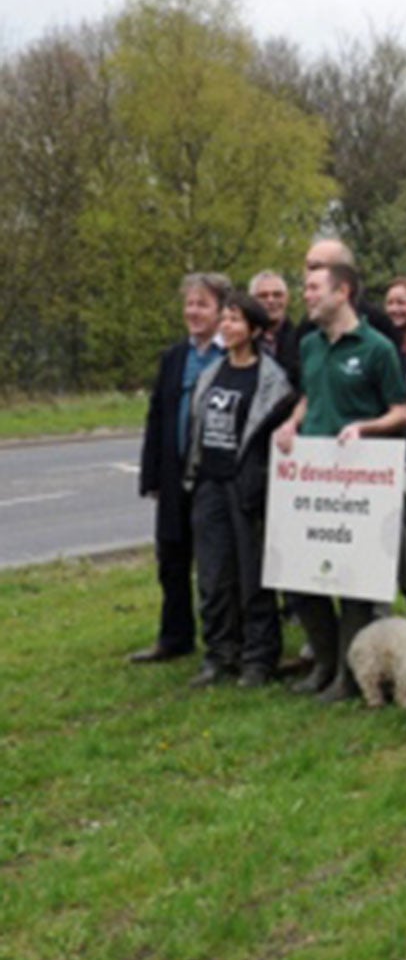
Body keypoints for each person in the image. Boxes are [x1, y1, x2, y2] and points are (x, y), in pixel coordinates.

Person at [272, 258, 406, 699]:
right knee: (300, 575)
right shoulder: (309, 345)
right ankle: (325, 662)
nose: (306, 295)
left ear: (343, 292)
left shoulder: (377, 348)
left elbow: (401, 412)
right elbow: (309, 395)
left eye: (315, 288)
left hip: (357, 480)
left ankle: (349, 677)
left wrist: (364, 428)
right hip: (311, 477)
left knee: (353, 582)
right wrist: (292, 423)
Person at [182, 291, 296, 687]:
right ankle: (219, 653)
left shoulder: (272, 381)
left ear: (254, 329)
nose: (227, 326)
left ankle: (258, 657)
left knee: (253, 576)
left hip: (247, 486)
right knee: (213, 575)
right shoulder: (212, 373)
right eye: (225, 319)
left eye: (235, 320)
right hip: (210, 484)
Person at [130, 272, 231, 665]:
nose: (193, 311)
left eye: (203, 304)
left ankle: (224, 640)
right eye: (189, 304)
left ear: (221, 311)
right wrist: (151, 475)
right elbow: (157, 416)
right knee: (171, 558)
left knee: (216, 565)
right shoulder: (174, 358)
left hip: (215, 476)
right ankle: (174, 636)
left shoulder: (232, 354)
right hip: (174, 475)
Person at [249, 268, 300, 382]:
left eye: (277, 295)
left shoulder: (300, 340)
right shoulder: (243, 343)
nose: (271, 300)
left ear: (287, 299)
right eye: (263, 296)